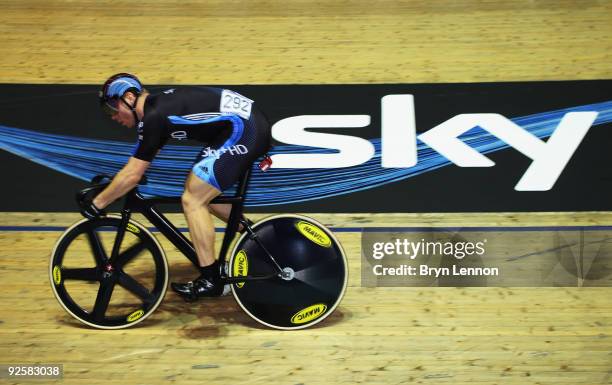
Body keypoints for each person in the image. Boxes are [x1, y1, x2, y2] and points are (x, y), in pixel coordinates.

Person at [86, 73, 271, 299]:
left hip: (244, 130)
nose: (113, 116)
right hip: (246, 125)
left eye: (113, 107)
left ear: (129, 97)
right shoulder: (157, 110)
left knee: (193, 198)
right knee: (204, 194)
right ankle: (262, 241)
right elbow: (139, 163)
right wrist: (116, 185)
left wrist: (97, 203)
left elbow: (133, 174)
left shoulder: (154, 116)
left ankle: (211, 278)